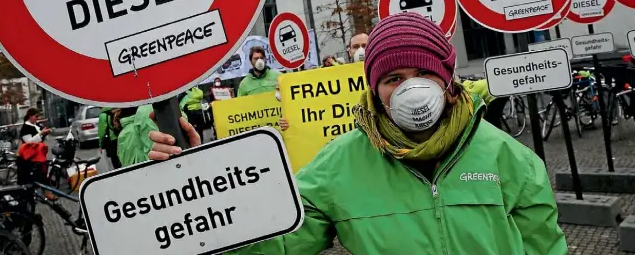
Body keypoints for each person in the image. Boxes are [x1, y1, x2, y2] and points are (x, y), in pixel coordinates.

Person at [148, 13, 567, 255]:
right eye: (393, 77)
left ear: (446, 76)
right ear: (373, 86)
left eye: (423, 73)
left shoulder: (508, 158)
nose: (410, 89)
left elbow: (545, 247)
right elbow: (273, 241)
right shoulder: (339, 166)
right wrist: (197, 188)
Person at [17, 108, 56, 199]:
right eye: (36, 116)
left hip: (38, 154)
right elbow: (29, 142)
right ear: (30, 116)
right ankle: (45, 192)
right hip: (31, 156)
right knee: (40, 173)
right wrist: (41, 133)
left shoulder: (35, 125)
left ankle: (44, 191)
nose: (37, 118)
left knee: (42, 171)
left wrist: (45, 133)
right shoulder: (25, 128)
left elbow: (39, 137)